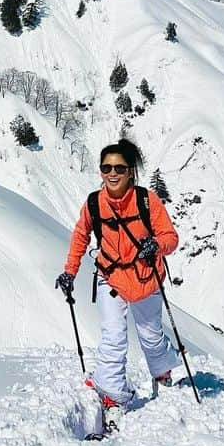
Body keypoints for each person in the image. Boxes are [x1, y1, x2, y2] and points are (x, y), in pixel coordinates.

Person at [54, 139, 180, 430]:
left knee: (150, 335)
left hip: (145, 278)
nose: (112, 173)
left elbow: (171, 237)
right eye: (106, 167)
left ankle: (162, 374)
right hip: (109, 276)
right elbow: (80, 236)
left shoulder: (147, 201)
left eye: (119, 168)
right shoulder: (94, 204)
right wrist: (69, 272)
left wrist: (156, 245)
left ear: (130, 172)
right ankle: (112, 399)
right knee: (113, 337)